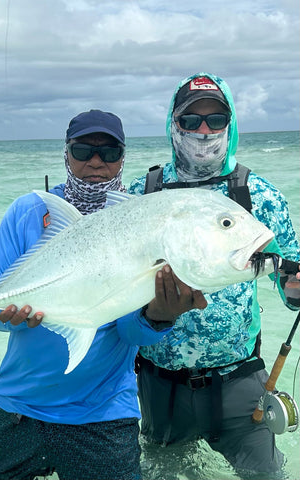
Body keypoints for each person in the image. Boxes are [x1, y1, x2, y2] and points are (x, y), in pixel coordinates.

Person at [0, 109, 207, 480]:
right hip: (18, 405)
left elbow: (129, 332)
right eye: (83, 151)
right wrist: (3, 313)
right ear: (66, 153)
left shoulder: (142, 220)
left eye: (109, 153)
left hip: (104, 414)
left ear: (122, 159)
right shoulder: (28, 211)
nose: (96, 162)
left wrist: (161, 315)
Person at [128, 73, 300, 479]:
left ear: (231, 124)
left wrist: (294, 290)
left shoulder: (259, 195)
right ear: (174, 125)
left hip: (240, 382)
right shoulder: (144, 192)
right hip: (159, 385)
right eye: (191, 121)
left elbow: (288, 269)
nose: (203, 131)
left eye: (216, 119)